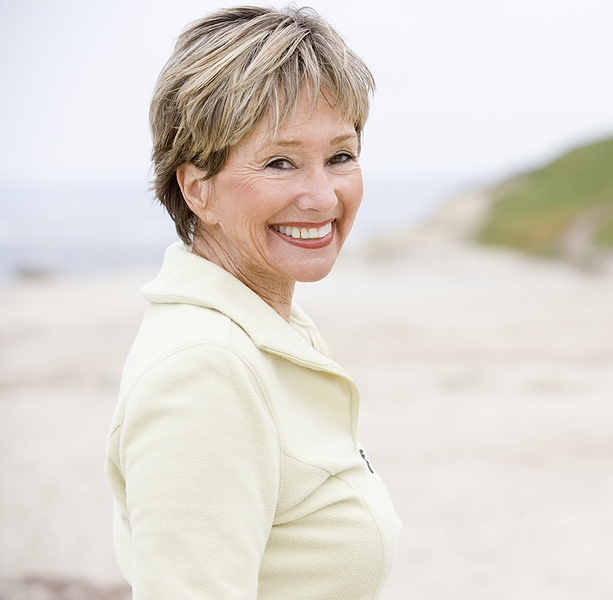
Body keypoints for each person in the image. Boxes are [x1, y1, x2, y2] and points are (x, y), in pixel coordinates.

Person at [104, 6, 401, 598]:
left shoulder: (269, 327)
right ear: (197, 188)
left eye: (340, 157)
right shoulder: (206, 372)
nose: (322, 197)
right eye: (280, 162)